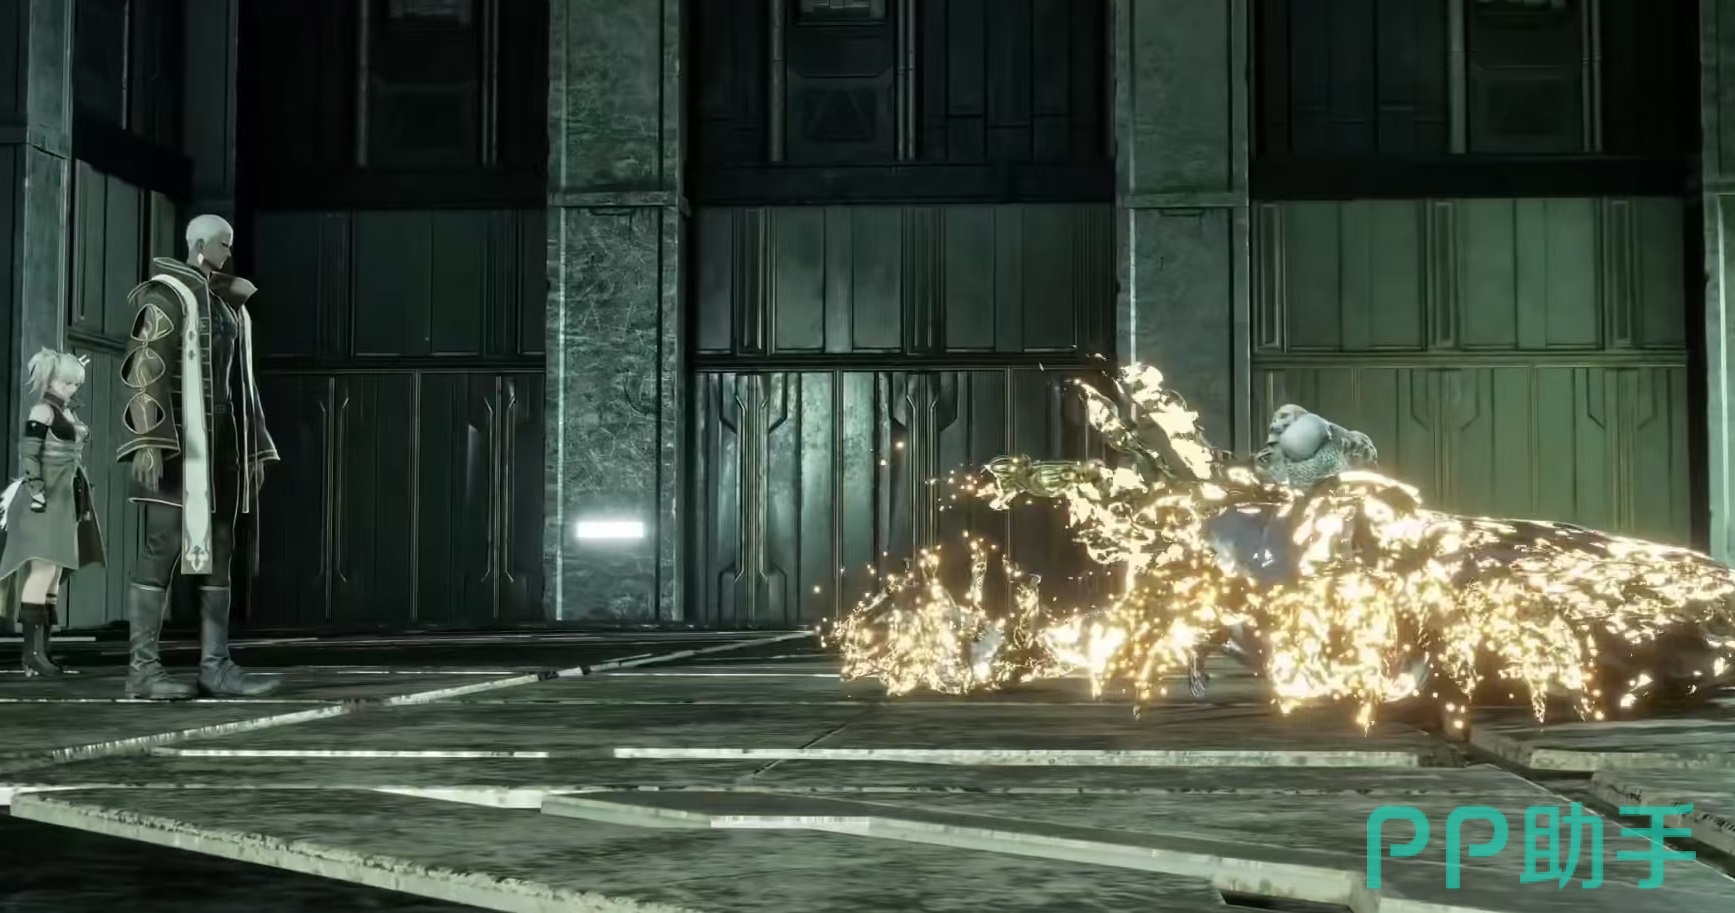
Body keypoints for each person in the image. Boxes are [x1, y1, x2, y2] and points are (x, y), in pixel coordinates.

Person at [115, 214, 281, 700]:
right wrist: (149, 440)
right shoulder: (167, 295)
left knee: (221, 549)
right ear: (200, 244)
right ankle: (142, 671)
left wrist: (254, 449)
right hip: (178, 446)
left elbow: (242, 384)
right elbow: (145, 366)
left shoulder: (228, 305)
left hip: (222, 447)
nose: (229, 251)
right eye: (223, 243)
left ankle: (216, 666)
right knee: (163, 546)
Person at [0, 349, 104, 676]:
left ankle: (41, 653)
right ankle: (33, 654)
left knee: (55, 575)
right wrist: (36, 491)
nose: (72, 388)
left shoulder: (64, 411)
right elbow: (30, 455)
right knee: (43, 571)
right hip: (43, 501)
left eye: (75, 384)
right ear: (50, 379)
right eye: (66, 382)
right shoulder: (42, 410)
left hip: (65, 500)